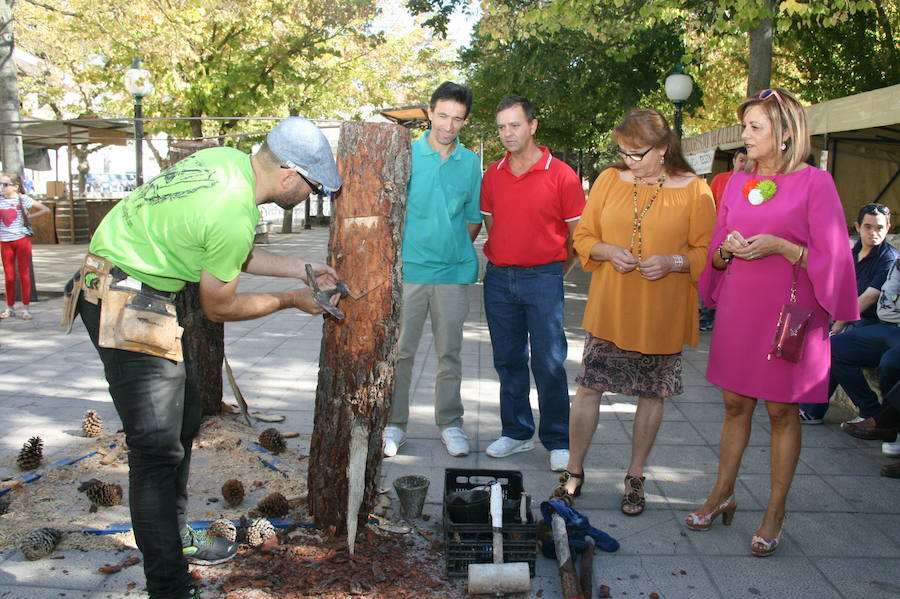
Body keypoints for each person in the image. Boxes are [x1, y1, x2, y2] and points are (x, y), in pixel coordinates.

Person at [69, 117, 342, 599]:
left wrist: (302, 269)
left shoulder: (227, 164)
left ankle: (173, 541)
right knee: (156, 451)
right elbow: (218, 305)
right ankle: (170, 587)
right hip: (123, 299)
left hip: (127, 283)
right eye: (314, 188)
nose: (311, 196)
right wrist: (290, 300)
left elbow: (226, 252)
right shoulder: (233, 210)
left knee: (186, 417)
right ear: (289, 176)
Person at [688, 88, 858, 557]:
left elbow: (834, 257)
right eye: (745, 126)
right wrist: (726, 251)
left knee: (782, 411)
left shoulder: (815, 182)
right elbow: (718, 251)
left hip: (791, 313)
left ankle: (775, 511)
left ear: (784, 134)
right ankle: (722, 494)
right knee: (733, 405)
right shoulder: (737, 182)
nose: (745, 135)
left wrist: (782, 247)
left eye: (754, 127)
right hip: (741, 308)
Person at [552, 108, 715, 516]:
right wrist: (607, 252)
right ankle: (573, 471)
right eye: (623, 152)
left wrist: (673, 263)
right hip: (611, 306)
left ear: (663, 149)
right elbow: (585, 236)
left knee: (651, 394)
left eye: (637, 153)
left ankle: (635, 475)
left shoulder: (695, 191)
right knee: (589, 387)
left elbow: (705, 251)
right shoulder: (609, 180)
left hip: (661, 311)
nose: (628, 160)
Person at [480, 95, 584, 472]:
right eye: (502, 127)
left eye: (515, 125)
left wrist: (558, 269)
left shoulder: (562, 175)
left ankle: (557, 438)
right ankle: (517, 432)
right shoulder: (492, 174)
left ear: (533, 125)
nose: (508, 133)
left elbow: (578, 234)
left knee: (550, 360)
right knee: (508, 360)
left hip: (544, 277)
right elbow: (495, 226)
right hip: (499, 279)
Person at [382, 82, 482, 458]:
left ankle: (450, 423)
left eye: (457, 119)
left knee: (450, 355)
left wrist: (451, 246)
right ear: (429, 112)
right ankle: (394, 424)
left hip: (453, 274)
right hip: (409, 271)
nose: (448, 125)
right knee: (401, 352)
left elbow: (472, 219)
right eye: (442, 115)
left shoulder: (470, 162)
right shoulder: (406, 155)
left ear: (465, 121)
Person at [799, 203, 898, 424]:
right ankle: (804, 402)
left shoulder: (889, 258)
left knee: (834, 344)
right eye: (868, 227)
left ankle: (864, 409)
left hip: (872, 321)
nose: (874, 233)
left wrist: (839, 322)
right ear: (858, 227)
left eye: (880, 227)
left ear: (888, 227)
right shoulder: (853, 253)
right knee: (802, 331)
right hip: (851, 317)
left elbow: (869, 297)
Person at [700, 149, 747, 330]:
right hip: (718, 233)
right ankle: (706, 317)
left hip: (739, 238)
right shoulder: (721, 179)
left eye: (747, 160)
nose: (744, 164)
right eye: (741, 160)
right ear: (734, 161)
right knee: (712, 272)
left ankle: (719, 315)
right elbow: (709, 203)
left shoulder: (756, 182)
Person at [0, 172, 49, 320]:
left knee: (24, 273)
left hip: (22, 239)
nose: (1, 187)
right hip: (5, 240)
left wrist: (28, 217)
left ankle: (26, 309)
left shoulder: (23, 199)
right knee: (9, 276)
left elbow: (45, 209)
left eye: (5, 184)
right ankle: (10, 307)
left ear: (15, 187)